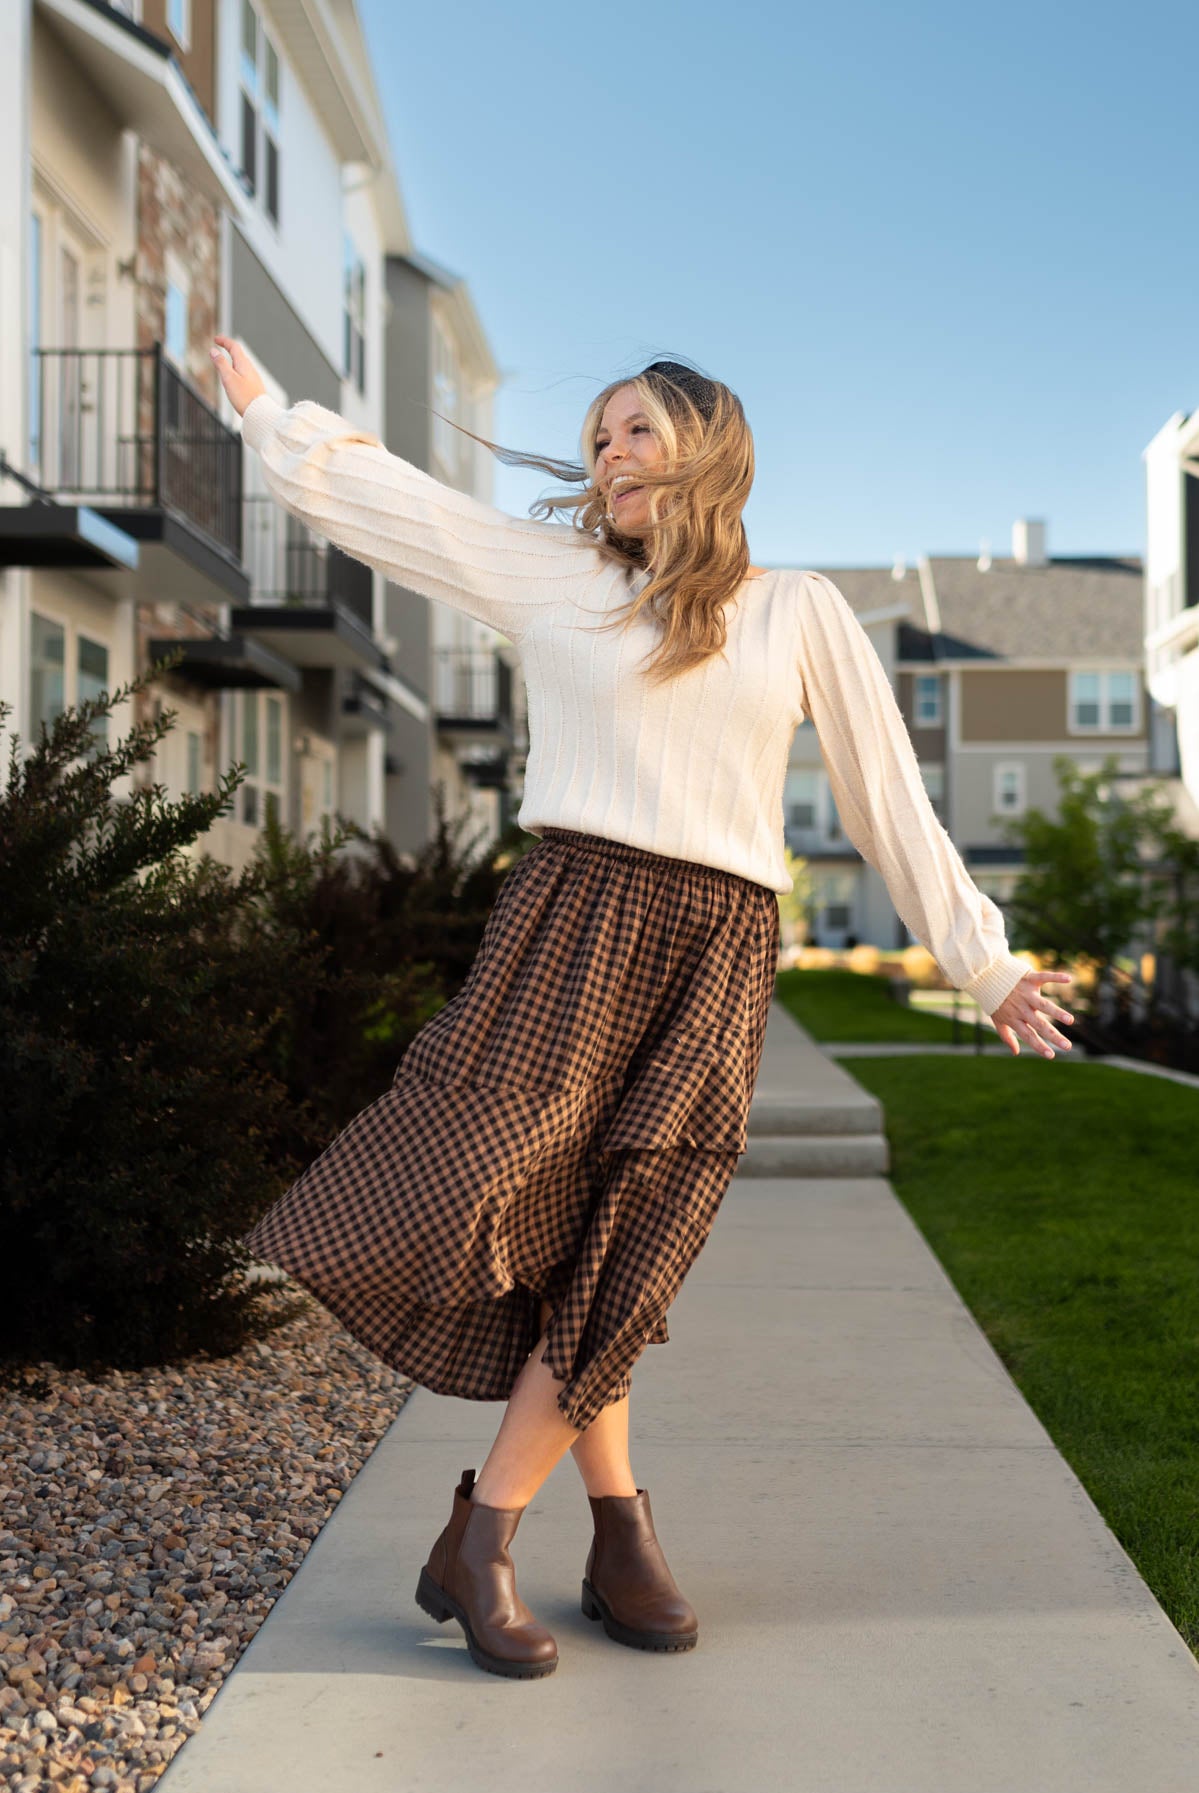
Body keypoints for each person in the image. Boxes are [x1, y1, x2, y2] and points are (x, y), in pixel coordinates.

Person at [210, 338, 1074, 1681]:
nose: (612, 451)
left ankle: (490, 1536)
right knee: (507, 1200)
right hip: (570, 926)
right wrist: (274, 417)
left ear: (708, 452)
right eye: (601, 435)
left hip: (717, 944)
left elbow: (887, 798)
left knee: (634, 1245)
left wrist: (986, 961)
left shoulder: (797, 610)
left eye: (639, 432)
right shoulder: (556, 579)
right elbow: (393, 507)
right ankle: (611, 1532)